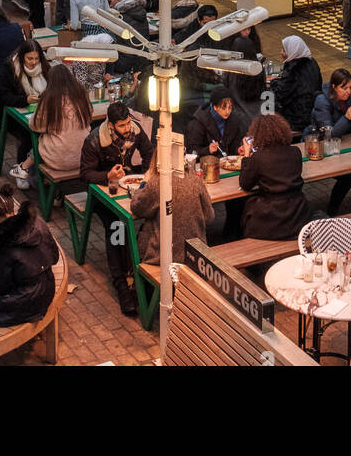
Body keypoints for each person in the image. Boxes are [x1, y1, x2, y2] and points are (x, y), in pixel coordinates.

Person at [80, 100, 153, 315]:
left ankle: (135, 273)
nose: (127, 128)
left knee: (147, 217)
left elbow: (150, 152)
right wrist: (107, 176)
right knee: (116, 227)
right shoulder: (94, 140)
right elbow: (84, 176)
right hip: (101, 193)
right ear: (111, 125)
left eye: (128, 123)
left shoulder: (136, 132)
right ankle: (121, 283)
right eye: (122, 126)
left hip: (127, 186)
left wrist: (147, 174)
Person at [0, 190, 59, 327]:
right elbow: (54, 257)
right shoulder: (37, 221)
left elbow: (2, 287)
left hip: (26, 302)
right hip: (48, 288)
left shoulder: (5, 244)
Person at [129, 145, 214, 264]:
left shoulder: (156, 184)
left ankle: (128, 277)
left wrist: (144, 183)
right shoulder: (196, 181)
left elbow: (136, 207)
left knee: (130, 234)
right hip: (196, 254)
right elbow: (209, 216)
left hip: (162, 256)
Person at [309, 69, 351, 214]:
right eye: (344, 88)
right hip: (321, 147)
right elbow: (329, 135)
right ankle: (333, 211)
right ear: (334, 87)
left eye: (350, 87)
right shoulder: (322, 101)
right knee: (350, 174)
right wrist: (346, 118)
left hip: (346, 147)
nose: (348, 92)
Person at [13, 64, 93, 188]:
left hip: (58, 160)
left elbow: (35, 125)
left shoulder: (50, 100)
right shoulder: (82, 96)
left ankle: (24, 168)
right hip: (84, 156)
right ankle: (25, 169)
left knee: (42, 140)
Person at [237, 111, 311, 240]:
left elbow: (245, 184)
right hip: (297, 215)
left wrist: (247, 156)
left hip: (270, 220)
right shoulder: (295, 152)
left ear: (257, 135)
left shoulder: (258, 157)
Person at [0, 40, 50, 173]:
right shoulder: (10, 68)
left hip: (40, 111)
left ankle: (44, 167)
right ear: (22, 57)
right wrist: (25, 99)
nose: (33, 62)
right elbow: (4, 97)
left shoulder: (45, 67)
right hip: (11, 113)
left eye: (36, 58)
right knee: (28, 133)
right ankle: (22, 168)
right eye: (29, 58)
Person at [273, 36, 323, 135]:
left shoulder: (293, 68)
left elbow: (280, 93)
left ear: (292, 51)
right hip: (314, 111)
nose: (281, 52)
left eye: (284, 50)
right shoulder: (312, 62)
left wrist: (273, 82)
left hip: (297, 119)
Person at [184, 86, 247, 159]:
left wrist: (238, 150)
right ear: (215, 107)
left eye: (230, 107)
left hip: (227, 165)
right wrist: (208, 150)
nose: (227, 111)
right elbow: (191, 152)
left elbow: (233, 146)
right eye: (223, 108)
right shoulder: (198, 123)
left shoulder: (234, 120)